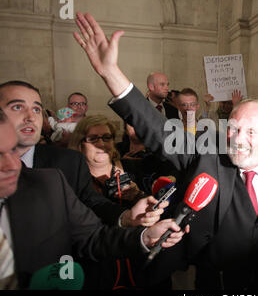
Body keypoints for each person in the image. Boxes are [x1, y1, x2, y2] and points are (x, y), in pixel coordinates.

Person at [73, 11, 258, 289]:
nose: (238, 139)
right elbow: (159, 132)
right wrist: (110, 72)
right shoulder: (208, 156)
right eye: (233, 128)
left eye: (250, 131)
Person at [0, 110, 187, 289]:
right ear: (80, 143)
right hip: (97, 269)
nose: (101, 143)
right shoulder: (65, 178)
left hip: (137, 264)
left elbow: (167, 174)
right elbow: (87, 225)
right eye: (93, 138)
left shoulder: (133, 167)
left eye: (107, 137)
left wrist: (140, 199)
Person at [0, 80, 159, 227]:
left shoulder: (66, 162)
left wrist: (130, 212)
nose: (30, 117)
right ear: (80, 143)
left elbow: (92, 209)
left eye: (36, 109)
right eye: (17, 107)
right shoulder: (66, 164)